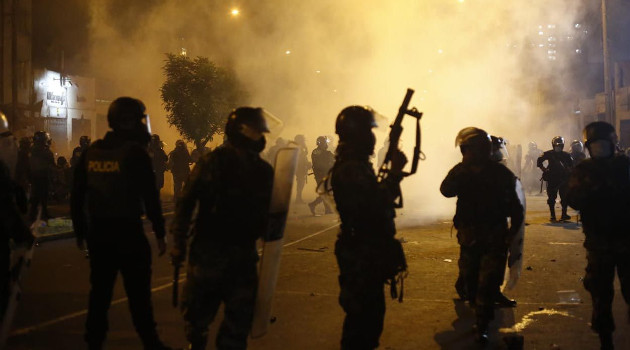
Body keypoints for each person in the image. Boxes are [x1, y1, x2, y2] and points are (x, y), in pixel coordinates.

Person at [70, 97, 172, 350]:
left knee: (100, 295)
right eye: (138, 120)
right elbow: (150, 197)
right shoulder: (135, 153)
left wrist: (80, 231)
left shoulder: (91, 153)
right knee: (139, 296)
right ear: (127, 122)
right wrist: (160, 233)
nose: (141, 126)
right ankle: (151, 343)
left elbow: (77, 195)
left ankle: (94, 342)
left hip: (99, 235)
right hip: (128, 233)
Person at [170, 107, 273, 350]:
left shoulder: (262, 170)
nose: (260, 137)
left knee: (234, 328)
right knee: (198, 324)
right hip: (213, 255)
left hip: (234, 256)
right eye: (256, 132)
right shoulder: (213, 163)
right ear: (242, 132)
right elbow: (187, 202)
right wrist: (178, 242)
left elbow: (269, 212)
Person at [330, 106, 407, 349]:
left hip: (366, 249)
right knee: (363, 320)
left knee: (369, 318)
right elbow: (373, 205)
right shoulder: (351, 167)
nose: (373, 138)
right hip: (359, 251)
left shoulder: (357, 165)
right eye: (369, 131)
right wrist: (394, 175)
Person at [440, 127, 524, 343]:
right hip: (469, 235)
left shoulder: (501, 174)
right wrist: (462, 170)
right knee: (470, 280)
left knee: (488, 281)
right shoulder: (462, 171)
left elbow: (516, 206)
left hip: (494, 235)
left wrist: (513, 233)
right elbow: (446, 190)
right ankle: (478, 310)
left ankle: (482, 323)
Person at [566, 122, 630, 350]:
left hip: (626, 240)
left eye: (604, 145)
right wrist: (592, 190)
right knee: (600, 293)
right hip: (598, 241)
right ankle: (605, 339)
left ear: (613, 145)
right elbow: (573, 199)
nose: (600, 149)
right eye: (596, 146)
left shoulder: (625, 166)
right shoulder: (584, 170)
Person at [537, 136, 573, 221]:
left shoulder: (566, 155)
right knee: (551, 198)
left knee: (564, 198)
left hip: (563, 179)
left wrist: (569, 172)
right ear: (553, 145)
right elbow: (539, 161)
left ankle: (564, 215)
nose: (558, 147)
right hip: (552, 178)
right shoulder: (548, 153)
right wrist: (544, 169)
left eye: (560, 145)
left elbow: (571, 165)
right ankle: (552, 216)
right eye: (557, 145)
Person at [28, 131, 54, 221]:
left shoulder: (32, 149)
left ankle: (33, 214)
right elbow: (51, 163)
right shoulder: (45, 151)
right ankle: (42, 213)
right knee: (43, 195)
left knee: (36, 195)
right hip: (42, 175)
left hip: (34, 175)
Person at [308, 136, 335, 215]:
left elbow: (333, 159)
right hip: (320, 175)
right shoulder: (316, 152)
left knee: (327, 191)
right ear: (320, 143)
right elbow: (319, 164)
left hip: (326, 174)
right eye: (324, 142)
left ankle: (326, 208)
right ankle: (314, 205)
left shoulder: (327, 152)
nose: (325, 144)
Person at [294, 134, 310, 204]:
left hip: (301, 167)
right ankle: (298, 198)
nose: (304, 141)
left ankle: (299, 197)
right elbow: (299, 159)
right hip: (299, 167)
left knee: (301, 182)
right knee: (300, 183)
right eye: (302, 140)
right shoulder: (297, 147)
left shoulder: (300, 147)